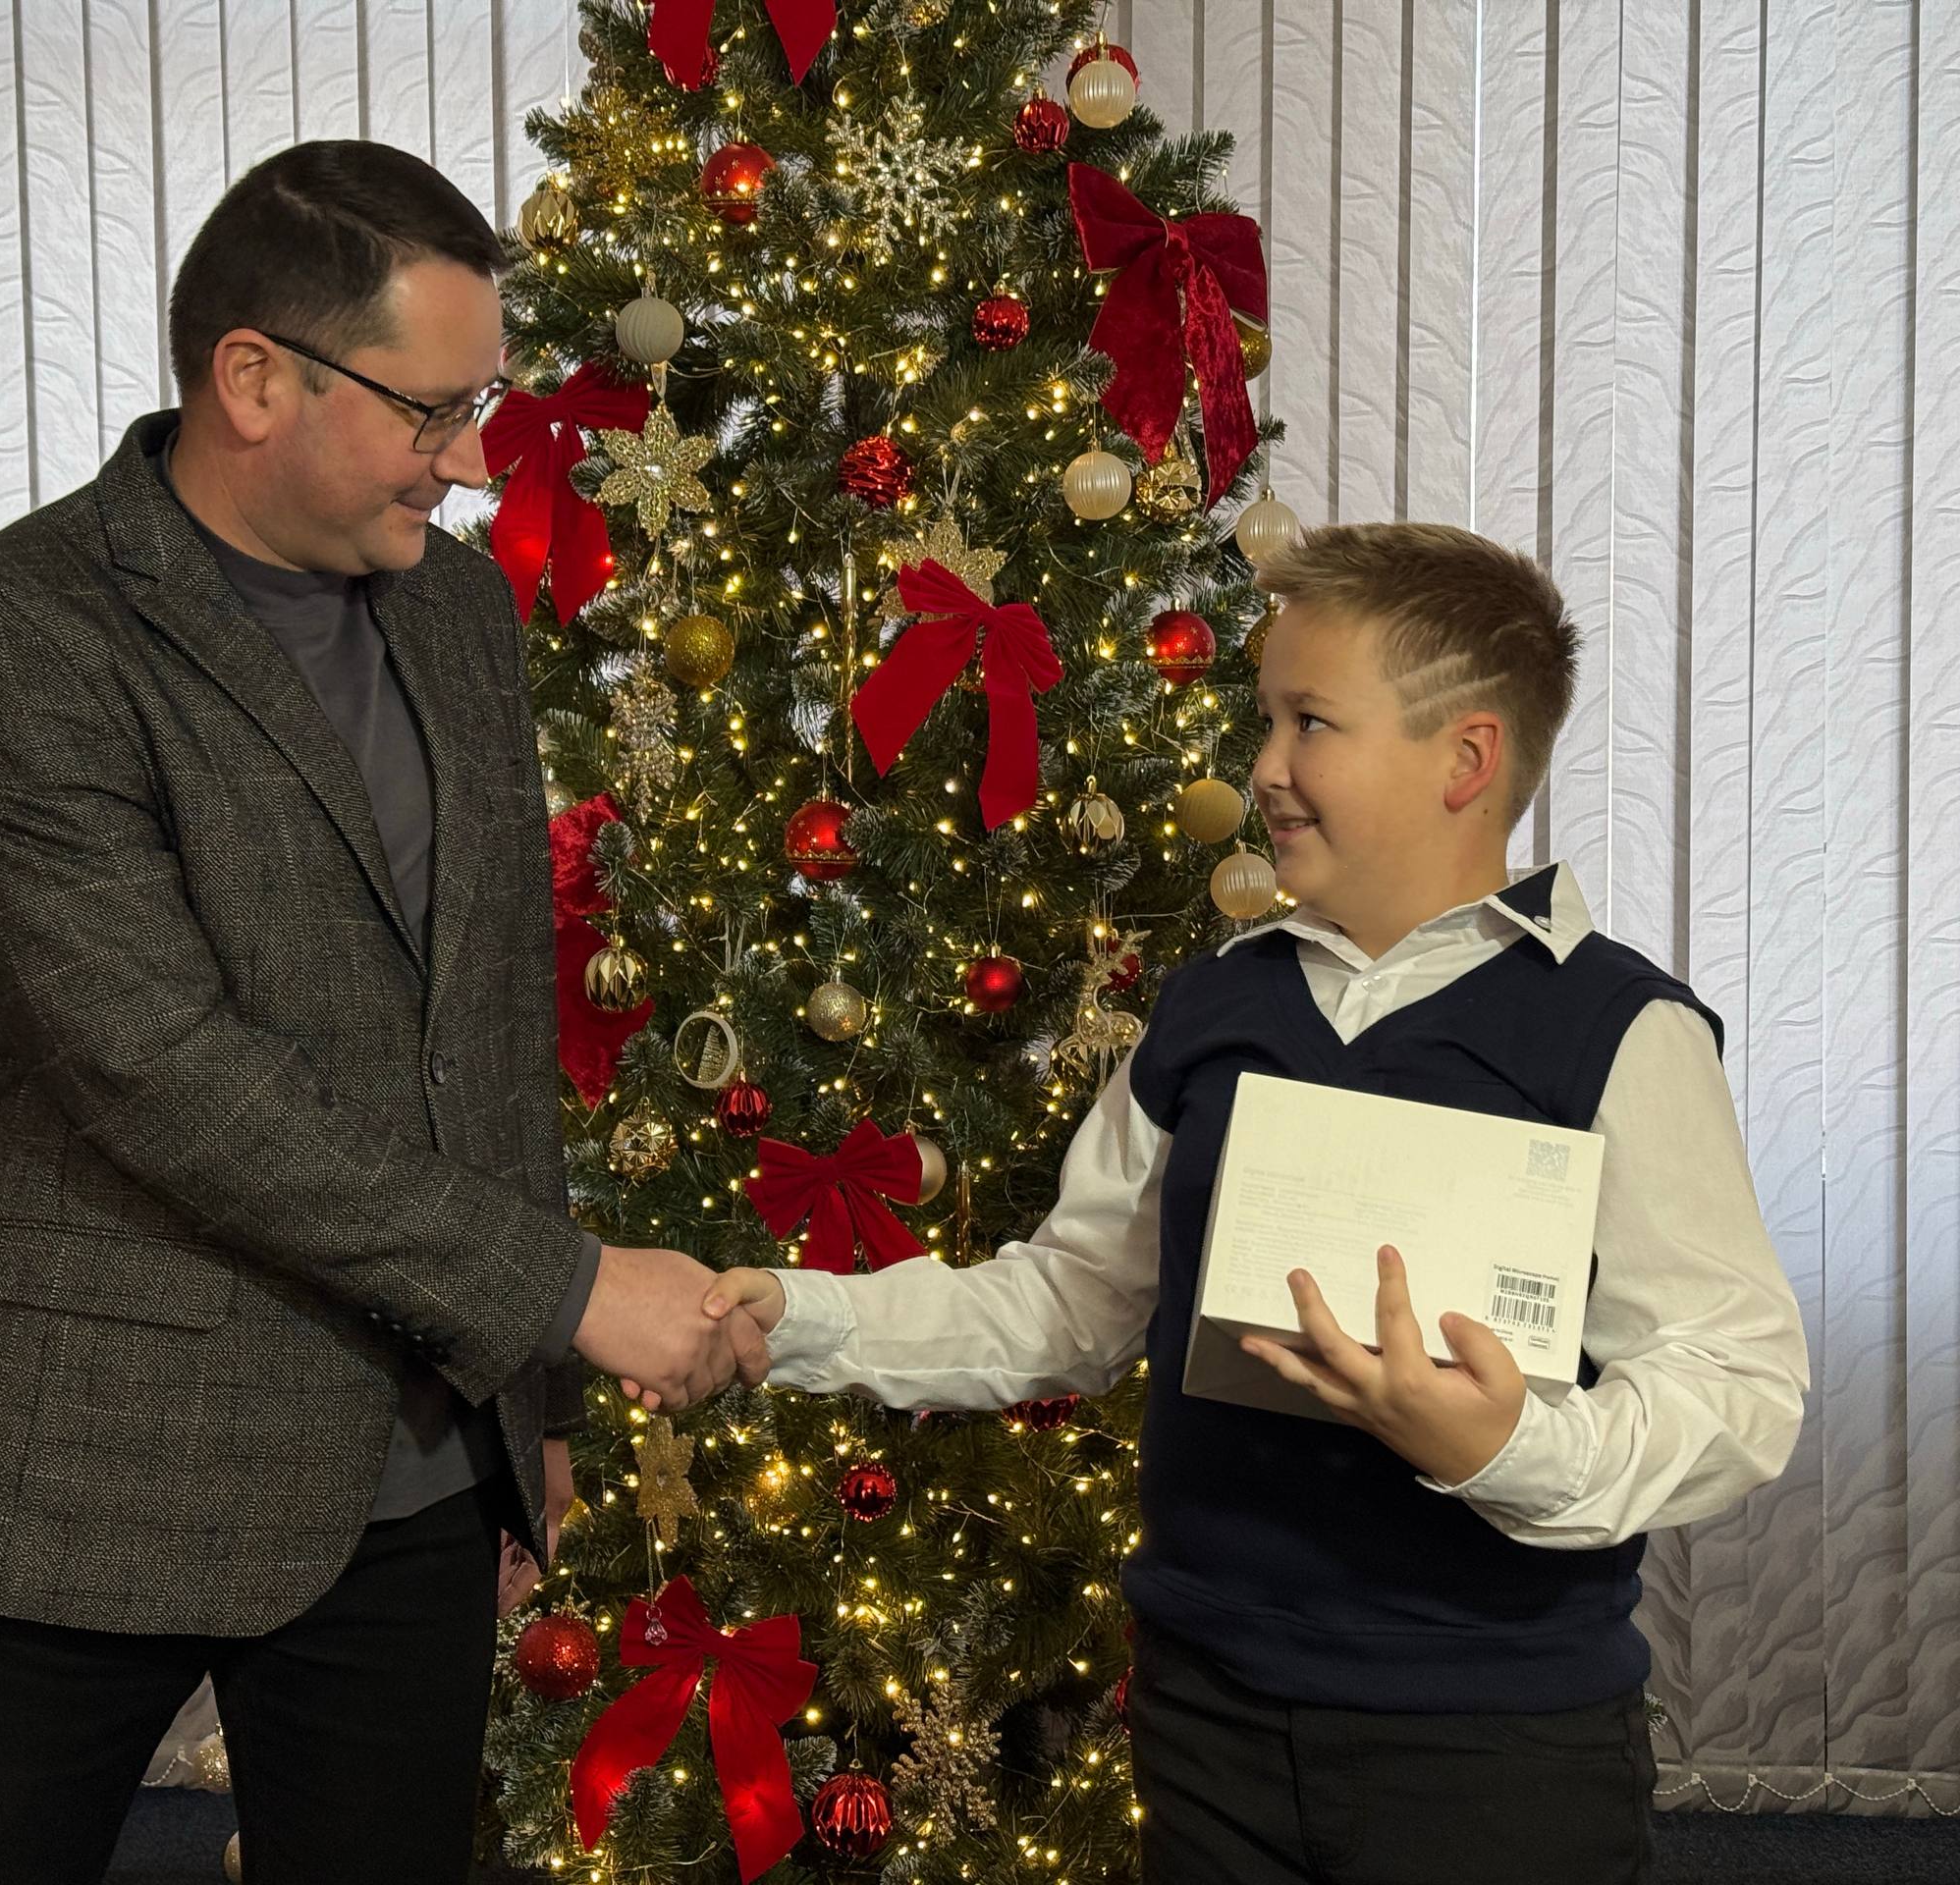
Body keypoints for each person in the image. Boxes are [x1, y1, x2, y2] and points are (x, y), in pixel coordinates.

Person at [0, 139, 760, 1885]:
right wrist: (567, 1294)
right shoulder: (11, 641)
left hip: (409, 1475)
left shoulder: (459, 614)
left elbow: (486, 1029)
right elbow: (164, 1073)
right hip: (84, 1472)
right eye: (434, 412)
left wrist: (531, 1411)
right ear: (255, 379)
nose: (474, 462)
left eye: (483, 406)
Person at [700, 523, 1808, 1884]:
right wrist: (797, 1315)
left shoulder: (1622, 1032)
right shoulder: (1214, 1006)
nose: (1265, 767)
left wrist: (1505, 1447)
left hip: (1494, 1740)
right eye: (1267, 718)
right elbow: (1069, 1303)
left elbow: (1737, 1382)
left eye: (1310, 723)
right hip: (1205, 1714)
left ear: (1465, 760)